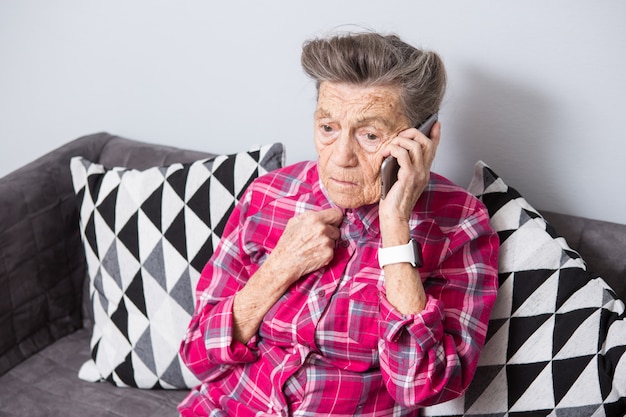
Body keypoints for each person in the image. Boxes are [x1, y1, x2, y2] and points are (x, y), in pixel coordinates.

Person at [178, 31, 499, 416]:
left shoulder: (460, 225)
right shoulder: (268, 195)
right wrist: (279, 268)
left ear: (423, 138)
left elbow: (423, 386)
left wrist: (395, 227)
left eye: (369, 135)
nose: (340, 157)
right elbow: (197, 354)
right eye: (328, 128)